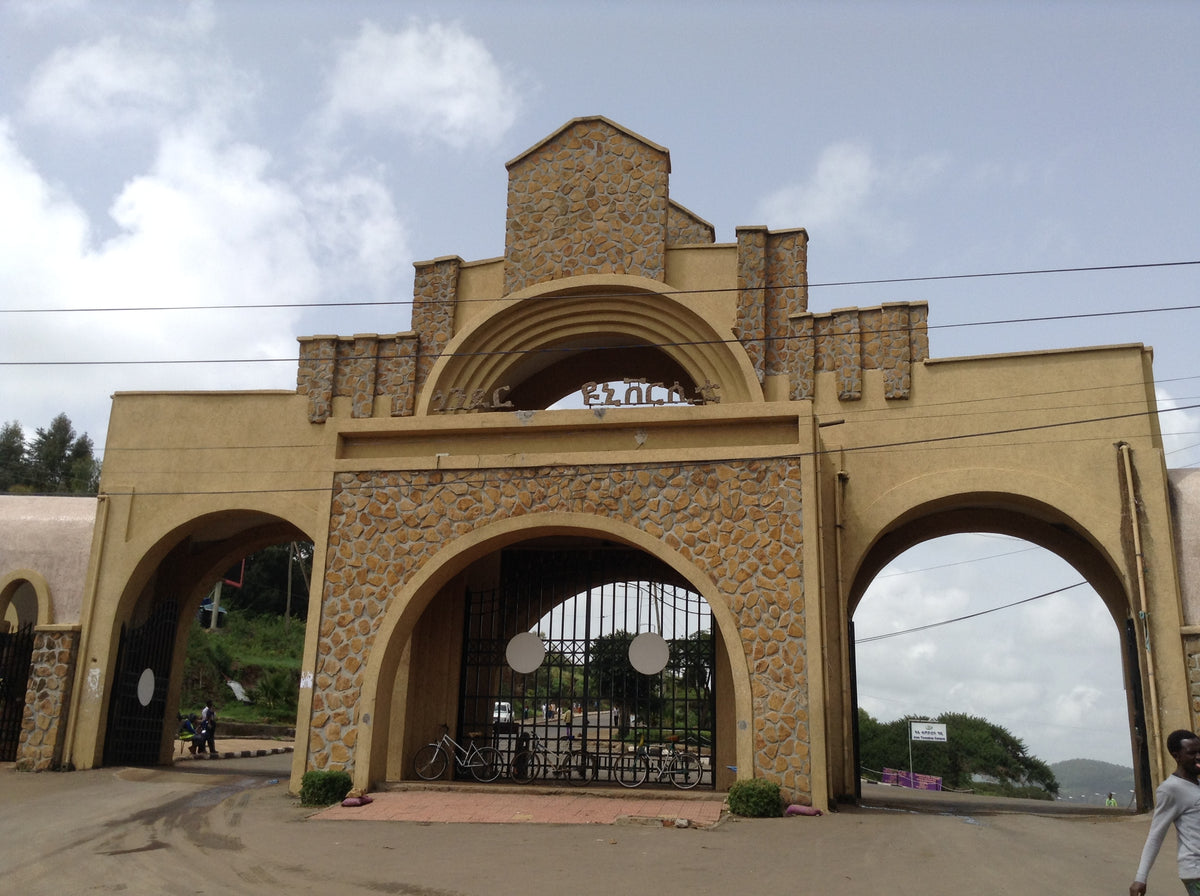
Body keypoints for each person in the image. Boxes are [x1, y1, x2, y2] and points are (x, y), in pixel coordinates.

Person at [1131, 729, 1200, 895]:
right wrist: (1141, 877)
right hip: (1196, 871)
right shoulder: (1170, 789)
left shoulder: (1197, 784)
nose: (1198, 756)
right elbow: (1156, 835)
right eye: (1192, 753)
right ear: (1177, 756)